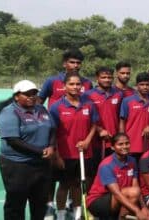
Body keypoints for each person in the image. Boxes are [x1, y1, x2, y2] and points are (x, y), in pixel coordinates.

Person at [0, 80, 55, 220]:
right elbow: (14, 141)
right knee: (16, 203)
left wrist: (51, 146)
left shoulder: (41, 109)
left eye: (34, 93)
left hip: (41, 164)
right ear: (17, 96)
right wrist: (41, 152)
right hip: (17, 165)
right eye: (26, 94)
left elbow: (52, 129)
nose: (31, 96)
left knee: (40, 203)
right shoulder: (9, 113)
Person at [49, 73, 98, 220]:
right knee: (64, 185)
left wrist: (88, 141)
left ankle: (77, 214)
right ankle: (61, 214)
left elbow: (94, 125)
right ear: (64, 86)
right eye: (71, 84)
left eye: (78, 84)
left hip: (84, 153)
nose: (75, 87)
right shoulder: (56, 107)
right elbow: (52, 133)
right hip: (65, 154)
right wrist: (57, 156)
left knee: (78, 184)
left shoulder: (89, 104)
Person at [87, 133, 149, 220]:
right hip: (98, 200)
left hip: (121, 197)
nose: (124, 146)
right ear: (113, 147)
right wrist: (137, 210)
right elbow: (117, 194)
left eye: (127, 143)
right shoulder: (106, 165)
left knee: (135, 194)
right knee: (133, 193)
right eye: (120, 144)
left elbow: (135, 186)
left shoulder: (132, 161)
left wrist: (143, 207)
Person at [83, 67, 123, 170]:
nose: (107, 80)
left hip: (114, 140)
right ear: (97, 78)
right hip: (95, 142)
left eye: (109, 77)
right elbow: (85, 118)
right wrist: (99, 130)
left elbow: (121, 117)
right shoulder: (88, 95)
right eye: (103, 77)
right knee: (94, 172)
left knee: (114, 171)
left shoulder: (119, 94)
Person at [119, 72, 149, 160]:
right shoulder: (127, 101)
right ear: (137, 85)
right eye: (142, 84)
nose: (145, 87)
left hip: (147, 145)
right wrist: (122, 139)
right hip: (130, 143)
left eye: (147, 84)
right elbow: (122, 121)